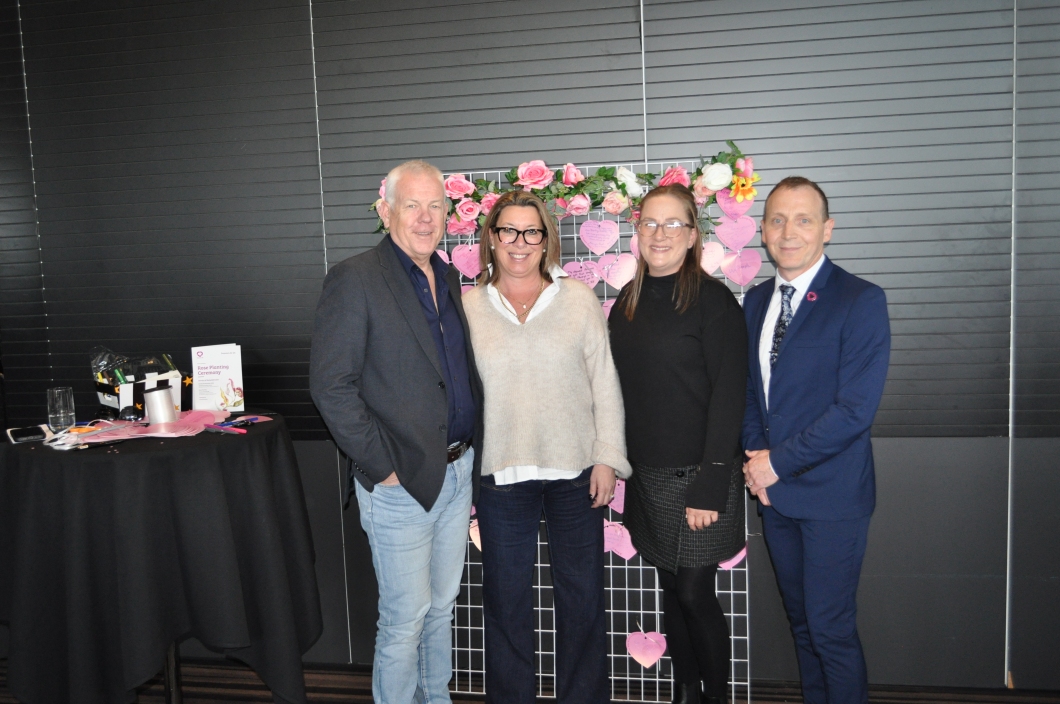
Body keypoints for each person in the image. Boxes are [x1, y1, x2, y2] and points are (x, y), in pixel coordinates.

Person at [309, 160, 482, 704]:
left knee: (441, 608)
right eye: (413, 204)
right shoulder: (355, 277)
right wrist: (382, 468)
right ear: (386, 211)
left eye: (436, 205)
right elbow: (331, 385)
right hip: (399, 483)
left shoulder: (448, 276)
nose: (426, 218)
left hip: (457, 474)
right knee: (405, 620)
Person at [461, 190, 631, 704]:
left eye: (531, 232)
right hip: (500, 477)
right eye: (508, 231)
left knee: (581, 599)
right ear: (491, 238)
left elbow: (605, 381)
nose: (519, 242)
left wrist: (608, 456)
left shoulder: (577, 300)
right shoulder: (467, 308)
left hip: (576, 473)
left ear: (546, 240)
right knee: (506, 602)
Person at [742, 176, 890, 704]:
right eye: (777, 219)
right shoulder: (756, 301)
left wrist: (774, 464)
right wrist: (755, 462)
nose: (789, 231)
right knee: (802, 628)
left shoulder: (861, 300)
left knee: (830, 630)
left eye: (803, 219)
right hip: (776, 497)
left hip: (832, 498)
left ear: (827, 229)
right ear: (762, 231)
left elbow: (854, 411)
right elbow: (749, 395)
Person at [609, 184, 748, 704]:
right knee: (672, 588)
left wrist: (712, 480)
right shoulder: (629, 298)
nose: (659, 234)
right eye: (649, 223)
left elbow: (730, 396)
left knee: (694, 592)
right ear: (636, 232)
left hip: (700, 478)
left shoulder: (714, 303)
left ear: (693, 235)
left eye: (673, 224)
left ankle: (716, 698)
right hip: (648, 476)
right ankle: (685, 690)